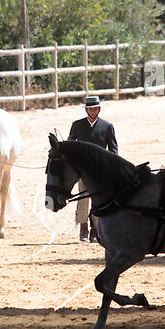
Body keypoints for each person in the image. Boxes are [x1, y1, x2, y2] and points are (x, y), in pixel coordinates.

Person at [68, 95, 118, 243]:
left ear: (99, 109)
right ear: (86, 110)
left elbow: (113, 150)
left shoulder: (107, 126)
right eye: (89, 109)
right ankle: (83, 227)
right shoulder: (77, 125)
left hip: (100, 170)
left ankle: (96, 229)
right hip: (82, 170)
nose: (92, 111)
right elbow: (70, 147)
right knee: (83, 199)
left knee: (98, 200)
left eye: (95, 108)